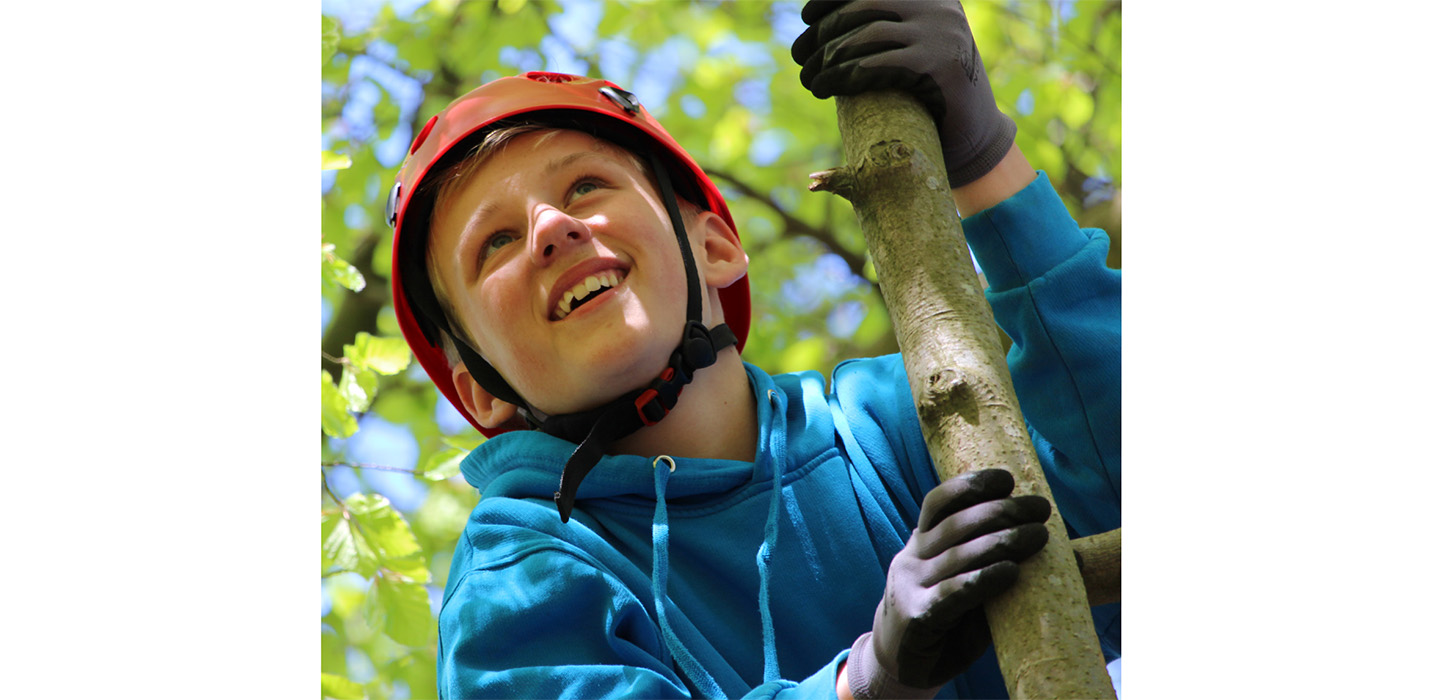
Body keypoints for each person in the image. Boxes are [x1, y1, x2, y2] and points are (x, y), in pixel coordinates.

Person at [384, 1, 1119, 697]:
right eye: (497, 242)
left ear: (714, 246)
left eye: (584, 186)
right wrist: (869, 680)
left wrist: (980, 152)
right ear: (481, 391)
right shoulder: (518, 573)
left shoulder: (892, 422)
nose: (550, 228)